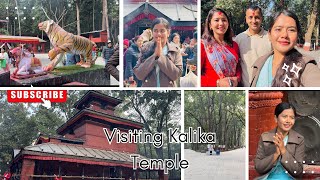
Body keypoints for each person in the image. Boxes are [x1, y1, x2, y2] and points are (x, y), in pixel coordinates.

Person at [251, 10, 320, 87]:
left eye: (291, 30)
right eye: (278, 29)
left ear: (297, 36)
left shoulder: (306, 68)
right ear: (269, 35)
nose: (284, 35)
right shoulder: (260, 63)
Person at [254, 102, 304, 179]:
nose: (288, 121)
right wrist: (275, 155)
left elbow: (298, 171)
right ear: (276, 118)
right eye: (284, 116)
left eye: (292, 117)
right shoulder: (265, 137)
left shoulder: (299, 140)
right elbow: (259, 168)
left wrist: (283, 151)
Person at [133, 17, 182, 87]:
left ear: (168, 33)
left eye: (162, 31)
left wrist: (160, 56)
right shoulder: (145, 48)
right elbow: (139, 75)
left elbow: (175, 75)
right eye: (155, 31)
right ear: (152, 33)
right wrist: (154, 56)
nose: (158, 34)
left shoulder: (175, 50)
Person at [201, 8, 241, 87]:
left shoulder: (234, 45)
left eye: (224, 20)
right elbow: (198, 77)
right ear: (210, 25)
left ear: (228, 24)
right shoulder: (203, 46)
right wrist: (217, 83)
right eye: (216, 20)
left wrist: (237, 79)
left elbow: (238, 67)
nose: (221, 23)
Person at [235, 5, 272, 87]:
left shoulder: (270, 38)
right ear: (246, 19)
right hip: (246, 85)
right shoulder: (239, 39)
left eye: (257, 17)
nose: (254, 21)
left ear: (262, 18)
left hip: (266, 85)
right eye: (250, 17)